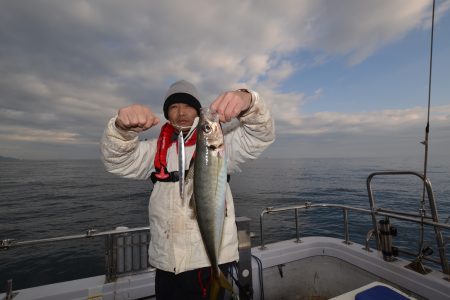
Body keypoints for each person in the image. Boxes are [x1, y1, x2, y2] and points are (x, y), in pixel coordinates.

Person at [101, 80, 275, 299]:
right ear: (166, 113)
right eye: (174, 107)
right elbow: (117, 161)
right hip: (167, 264)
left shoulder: (223, 145)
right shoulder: (155, 150)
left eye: (188, 106)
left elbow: (260, 135)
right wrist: (120, 131)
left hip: (209, 262)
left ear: (197, 110)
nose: (181, 112)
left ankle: (216, 276)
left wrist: (249, 101)